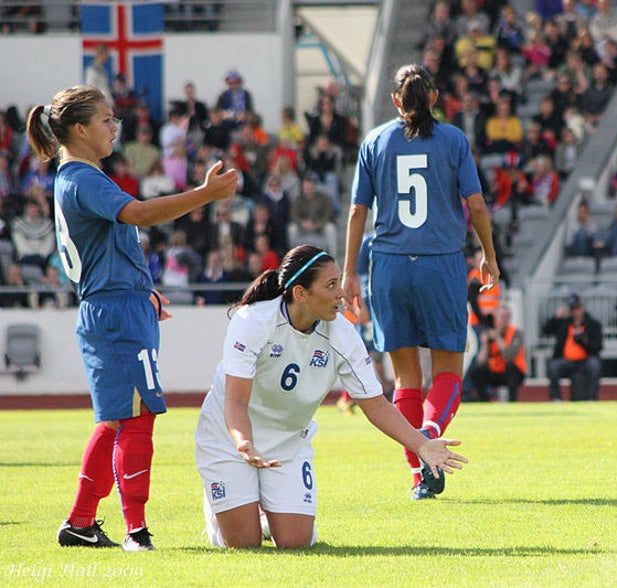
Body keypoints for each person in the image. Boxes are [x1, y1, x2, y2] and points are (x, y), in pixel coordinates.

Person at [26, 85, 238, 550]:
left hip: (115, 303)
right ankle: (135, 532)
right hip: (116, 311)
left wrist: (143, 290)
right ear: (79, 129)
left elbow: (112, 244)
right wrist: (204, 194)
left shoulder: (74, 177)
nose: (113, 126)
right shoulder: (84, 179)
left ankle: (81, 522)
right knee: (137, 419)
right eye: (105, 120)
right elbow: (139, 215)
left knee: (116, 420)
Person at [194, 245, 466, 548]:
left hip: (288, 443)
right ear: (300, 293)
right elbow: (234, 402)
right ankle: (220, 514)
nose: (341, 294)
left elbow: (375, 405)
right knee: (244, 545)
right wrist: (245, 444)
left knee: (296, 543)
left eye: (339, 282)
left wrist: (422, 444)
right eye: (331, 285)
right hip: (230, 438)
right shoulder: (252, 321)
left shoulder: (342, 333)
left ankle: (261, 509)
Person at [342, 64, 499, 500]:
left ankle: (418, 476)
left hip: (389, 266)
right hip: (441, 263)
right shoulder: (452, 139)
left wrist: (350, 271)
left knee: (406, 380)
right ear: (433, 97)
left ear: (396, 100)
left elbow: (358, 212)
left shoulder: (375, 141)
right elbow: (477, 206)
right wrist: (488, 253)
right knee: (449, 371)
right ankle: (430, 432)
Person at [542, 293, 603, 401]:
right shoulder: (564, 323)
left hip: (585, 359)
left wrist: (583, 342)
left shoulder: (592, 324)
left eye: (577, 308)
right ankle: (556, 398)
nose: (576, 311)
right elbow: (546, 330)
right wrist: (556, 317)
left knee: (594, 365)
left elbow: (597, 347)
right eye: (573, 309)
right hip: (567, 360)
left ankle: (592, 398)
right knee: (553, 367)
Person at [468, 306, 526, 402]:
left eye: (505, 316)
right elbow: (481, 360)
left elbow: (509, 356)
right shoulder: (490, 334)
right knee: (476, 371)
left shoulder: (516, 333)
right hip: (496, 371)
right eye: (500, 316)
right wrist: (485, 343)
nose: (502, 319)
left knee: (511, 367)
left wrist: (498, 338)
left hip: (513, 372)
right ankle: (484, 400)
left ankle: (513, 400)